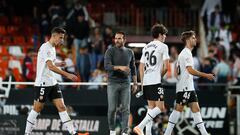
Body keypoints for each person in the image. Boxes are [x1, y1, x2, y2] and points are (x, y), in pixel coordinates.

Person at [24, 27, 79, 135]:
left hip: (52, 82)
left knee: (62, 107)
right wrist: (67, 74)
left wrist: (59, 63)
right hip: (43, 82)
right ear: (53, 36)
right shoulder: (46, 48)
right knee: (37, 108)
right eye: (60, 37)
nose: (62, 40)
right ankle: (27, 133)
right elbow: (50, 67)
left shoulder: (52, 48)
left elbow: (51, 62)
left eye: (63, 38)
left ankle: (73, 132)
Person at [164, 30, 215, 135]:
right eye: (193, 37)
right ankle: (167, 133)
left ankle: (204, 133)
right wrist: (206, 75)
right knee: (178, 109)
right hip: (184, 87)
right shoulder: (186, 53)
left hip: (188, 86)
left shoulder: (186, 53)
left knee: (196, 108)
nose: (195, 39)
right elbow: (190, 70)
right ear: (187, 40)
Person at [133, 24, 170, 135]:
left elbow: (141, 65)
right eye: (164, 35)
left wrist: (142, 82)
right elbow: (166, 67)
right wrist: (159, 76)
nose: (165, 37)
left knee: (151, 108)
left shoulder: (146, 46)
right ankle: (140, 126)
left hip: (147, 80)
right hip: (155, 80)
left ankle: (147, 133)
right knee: (160, 108)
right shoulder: (163, 46)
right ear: (160, 35)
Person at [104, 31, 138, 135]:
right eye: (116, 38)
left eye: (119, 38)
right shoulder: (110, 51)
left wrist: (135, 83)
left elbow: (133, 68)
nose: (117, 40)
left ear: (124, 40)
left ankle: (124, 132)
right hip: (112, 83)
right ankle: (112, 131)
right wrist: (120, 67)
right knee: (112, 109)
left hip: (126, 83)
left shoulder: (129, 52)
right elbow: (107, 66)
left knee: (126, 109)